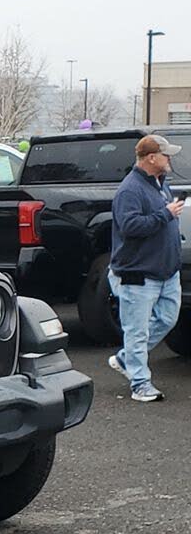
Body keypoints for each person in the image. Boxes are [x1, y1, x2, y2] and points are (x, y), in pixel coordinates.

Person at [108, 134, 183, 402]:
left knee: (166, 318)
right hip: (137, 273)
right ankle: (140, 384)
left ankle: (126, 359)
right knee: (136, 331)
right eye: (166, 155)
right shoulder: (130, 190)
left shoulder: (160, 184)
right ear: (152, 158)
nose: (170, 159)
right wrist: (166, 214)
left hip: (165, 271)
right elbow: (130, 227)